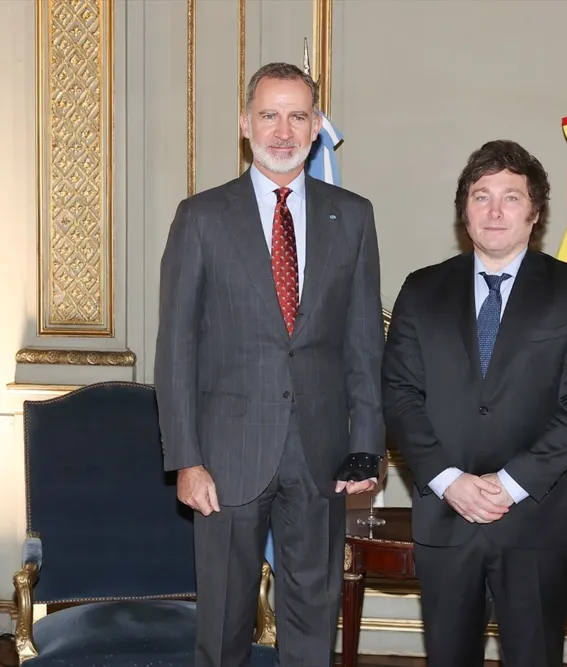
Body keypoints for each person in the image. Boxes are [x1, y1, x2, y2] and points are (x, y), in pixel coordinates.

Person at [154, 62, 385, 667]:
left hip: (321, 453)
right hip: (225, 456)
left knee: (313, 622)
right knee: (224, 626)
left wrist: (367, 444)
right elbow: (175, 347)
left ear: (315, 129)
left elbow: (363, 341)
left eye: (297, 116)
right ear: (244, 123)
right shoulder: (201, 217)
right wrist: (185, 460)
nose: (282, 131)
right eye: (269, 115)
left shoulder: (353, 216)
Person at [381, 140, 567, 667]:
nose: (494, 210)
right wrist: (448, 480)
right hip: (445, 516)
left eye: (510, 197)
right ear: (464, 209)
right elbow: (398, 394)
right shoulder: (421, 290)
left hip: (535, 520)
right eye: (481, 196)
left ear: (534, 213)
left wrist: (508, 486)